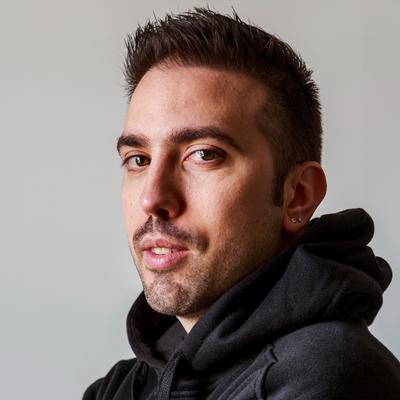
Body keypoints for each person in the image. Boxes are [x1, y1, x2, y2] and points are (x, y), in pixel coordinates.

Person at [83, 8, 400, 400]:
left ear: (298, 195)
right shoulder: (123, 388)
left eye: (203, 155)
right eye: (138, 159)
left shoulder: (326, 374)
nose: (152, 198)